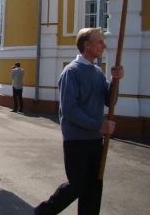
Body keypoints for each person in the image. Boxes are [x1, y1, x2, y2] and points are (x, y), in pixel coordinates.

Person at [34, 27, 124, 215]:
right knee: (77, 185)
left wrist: (116, 80)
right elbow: (69, 110)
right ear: (87, 45)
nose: (104, 45)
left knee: (93, 188)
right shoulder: (71, 72)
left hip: (95, 140)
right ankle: (42, 212)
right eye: (100, 41)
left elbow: (110, 100)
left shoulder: (98, 73)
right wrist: (99, 125)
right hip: (76, 141)